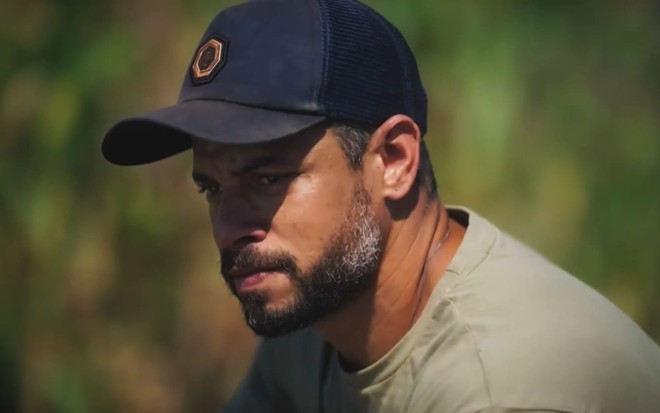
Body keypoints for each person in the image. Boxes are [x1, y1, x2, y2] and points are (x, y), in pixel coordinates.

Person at [102, 0, 660, 411]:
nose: (229, 229)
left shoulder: (499, 390)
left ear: (394, 159)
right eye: (213, 189)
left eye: (269, 178)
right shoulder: (314, 312)